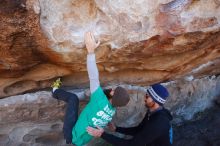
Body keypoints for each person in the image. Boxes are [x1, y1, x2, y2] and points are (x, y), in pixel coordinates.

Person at [51, 32, 130, 146]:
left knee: (73, 98)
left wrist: (91, 51)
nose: (112, 88)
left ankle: (54, 91)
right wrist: (110, 124)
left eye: (114, 90)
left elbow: (93, 77)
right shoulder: (112, 111)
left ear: (112, 94)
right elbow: (106, 118)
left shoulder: (99, 99)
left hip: (71, 134)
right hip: (80, 142)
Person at [87, 83, 173, 146]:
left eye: (147, 96)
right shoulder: (151, 112)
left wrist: (102, 134)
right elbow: (139, 130)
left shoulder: (158, 123)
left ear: (156, 101)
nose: (144, 98)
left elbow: (131, 144)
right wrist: (116, 129)